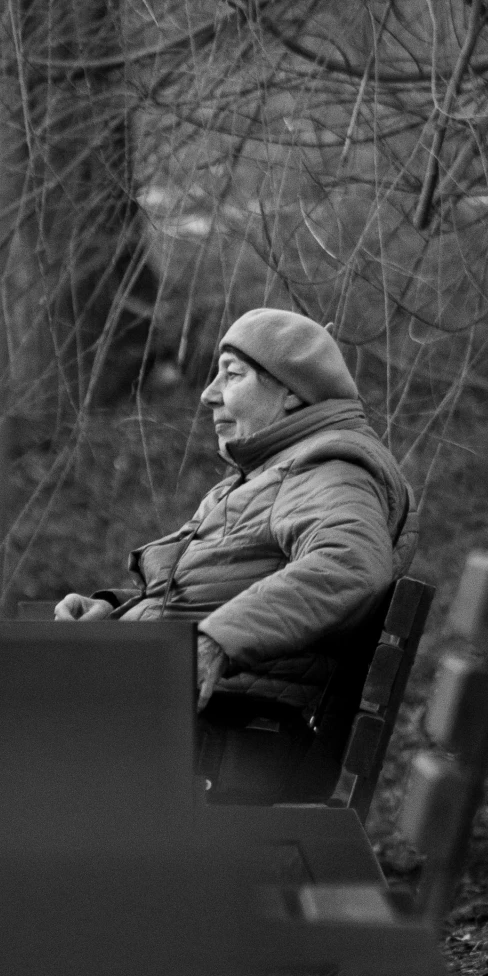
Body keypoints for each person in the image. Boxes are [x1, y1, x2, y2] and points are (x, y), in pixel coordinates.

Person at [55, 308, 417, 798]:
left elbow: (349, 562)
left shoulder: (328, 467)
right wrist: (114, 613)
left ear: (292, 393)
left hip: (217, 743)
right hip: (179, 724)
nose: (208, 393)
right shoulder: (272, 473)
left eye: (232, 374)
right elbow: (211, 589)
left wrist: (217, 640)